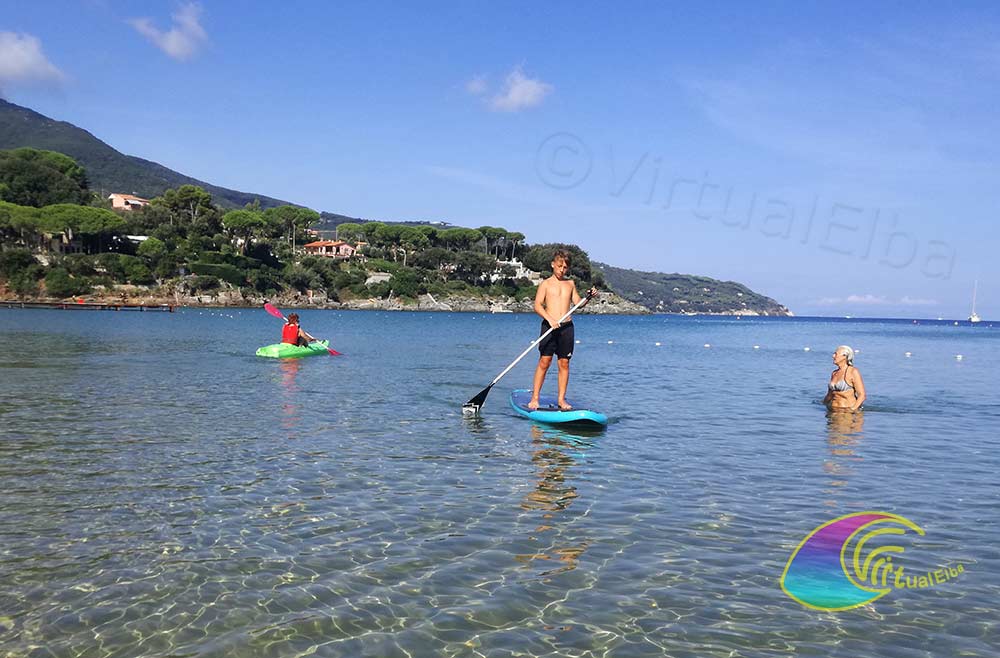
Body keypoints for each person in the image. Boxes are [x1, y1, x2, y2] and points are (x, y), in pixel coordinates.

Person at [528, 249, 598, 410]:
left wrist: (588, 297)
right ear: (553, 264)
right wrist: (550, 319)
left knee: (564, 363)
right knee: (544, 362)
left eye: (565, 267)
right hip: (549, 326)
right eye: (559, 266)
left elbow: (578, 304)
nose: (562, 270)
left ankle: (561, 400)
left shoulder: (570, 284)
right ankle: (535, 398)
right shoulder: (545, 284)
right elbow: (537, 306)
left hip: (566, 327)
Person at [823, 345, 866, 411]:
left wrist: (852, 410)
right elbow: (830, 395)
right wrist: (822, 404)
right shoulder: (834, 373)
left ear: (844, 356)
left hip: (846, 412)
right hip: (832, 410)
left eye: (836, 354)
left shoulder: (853, 371)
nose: (833, 356)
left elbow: (862, 395)